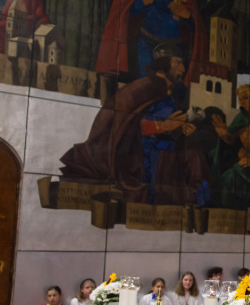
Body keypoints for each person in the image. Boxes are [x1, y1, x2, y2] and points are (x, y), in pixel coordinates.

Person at [60, 43, 208, 205]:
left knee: (194, 155)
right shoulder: (146, 87)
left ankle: (195, 206)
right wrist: (163, 126)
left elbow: (164, 126)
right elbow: (127, 125)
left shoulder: (166, 92)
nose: (183, 68)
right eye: (178, 63)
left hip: (157, 146)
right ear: (164, 64)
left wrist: (180, 129)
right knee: (182, 162)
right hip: (136, 154)